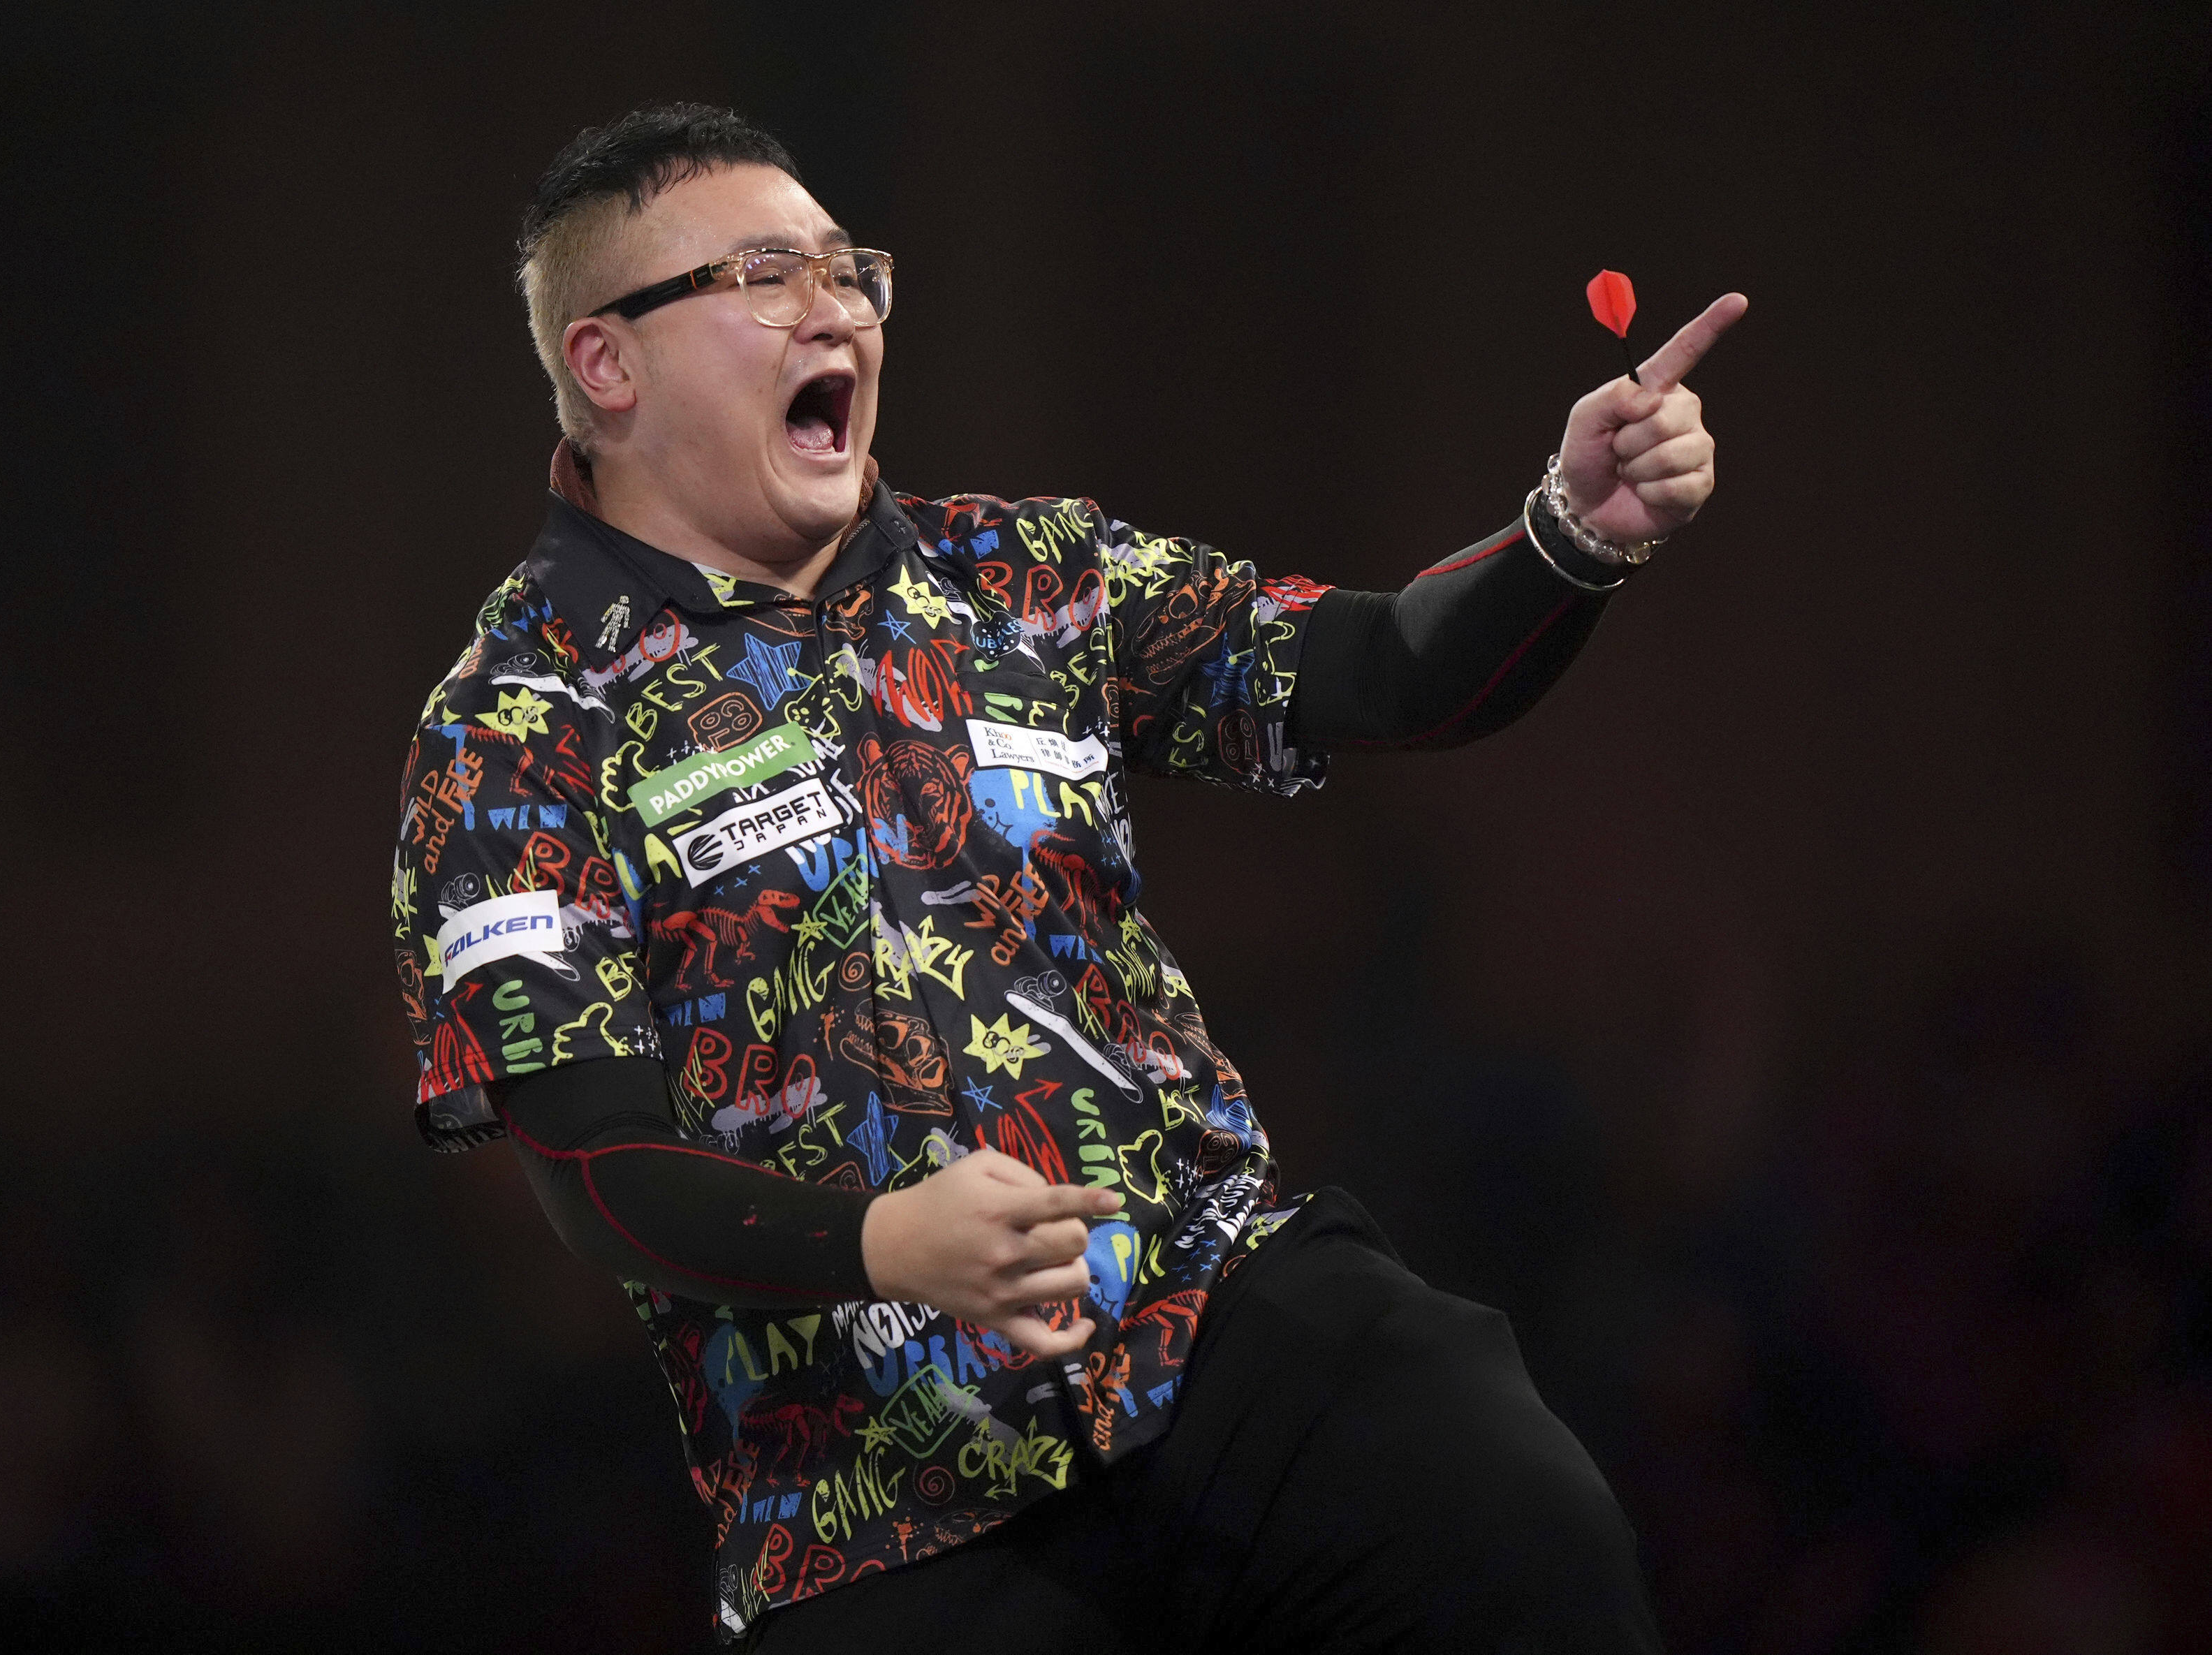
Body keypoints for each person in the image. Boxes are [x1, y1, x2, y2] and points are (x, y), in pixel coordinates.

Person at [389, 102, 1743, 1652]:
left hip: (1216, 1327)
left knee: (1505, 1507)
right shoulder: (514, 721)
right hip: (873, 1500)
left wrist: (1569, 537)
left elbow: (1382, 670)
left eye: (851, 272)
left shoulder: (1022, 578)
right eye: (765, 276)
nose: (836, 310)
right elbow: (591, 1169)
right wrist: (883, 1245)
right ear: (604, 363)